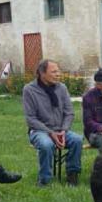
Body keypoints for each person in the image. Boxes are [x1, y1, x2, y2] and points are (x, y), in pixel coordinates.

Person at [24, 58, 83, 186]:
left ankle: (72, 175)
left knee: (77, 140)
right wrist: (50, 132)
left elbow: (69, 113)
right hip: (40, 131)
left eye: (58, 71)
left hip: (61, 130)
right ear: (42, 73)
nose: (58, 74)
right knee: (46, 144)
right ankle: (44, 180)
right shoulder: (29, 90)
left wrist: (64, 130)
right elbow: (30, 119)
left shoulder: (62, 88)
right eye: (54, 72)